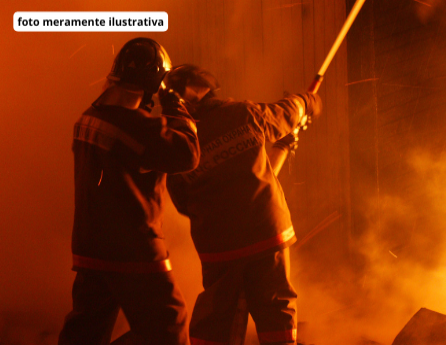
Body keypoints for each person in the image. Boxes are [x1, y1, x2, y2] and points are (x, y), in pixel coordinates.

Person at [163, 65, 321, 345]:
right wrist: (307, 102)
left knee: (216, 320)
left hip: (219, 247)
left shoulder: (178, 143)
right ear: (203, 89)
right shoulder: (241, 114)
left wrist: (282, 147)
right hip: (266, 234)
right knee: (276, 311)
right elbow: (286, 112)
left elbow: (184, 203)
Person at [59, 37, 200, 345]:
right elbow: (187, 154)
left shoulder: (88, 117)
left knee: (85, 332)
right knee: (169, 326)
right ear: (153, 83)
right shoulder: (136, 127)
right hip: (133, 251)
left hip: (90, 247)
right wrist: (176, 104)